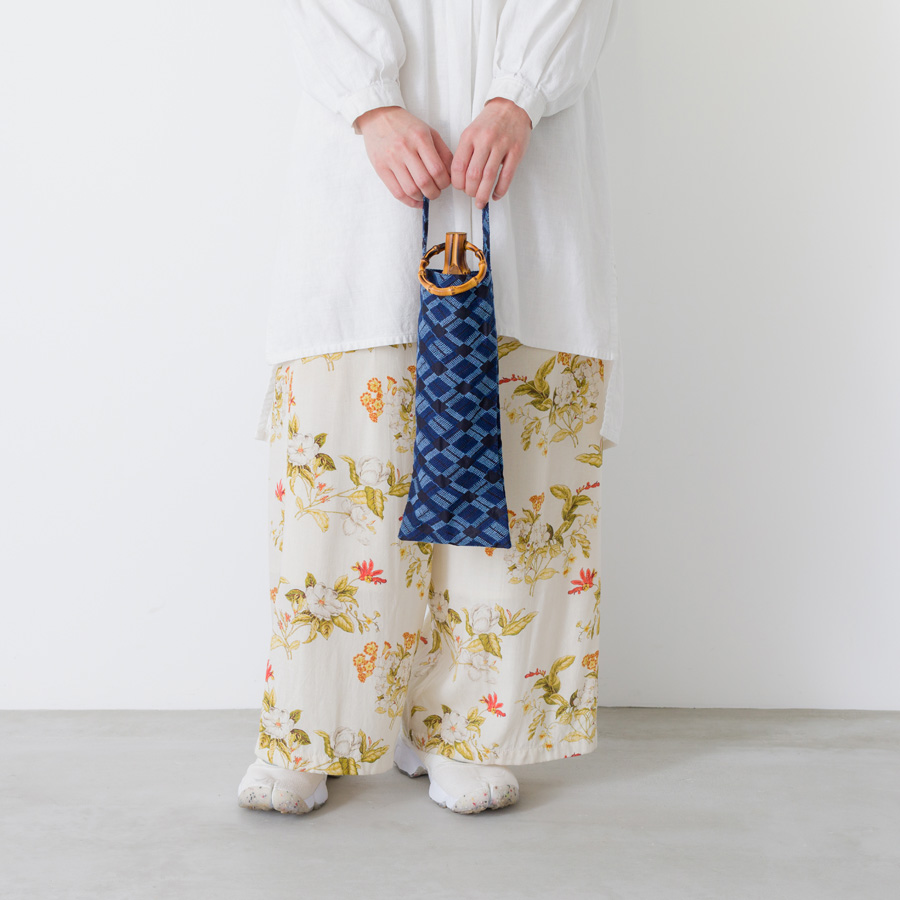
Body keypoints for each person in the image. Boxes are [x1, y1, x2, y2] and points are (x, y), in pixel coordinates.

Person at [237, 0, 623, 816]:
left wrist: (519, 94)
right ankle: (313, 729)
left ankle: (464, 733)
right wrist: (370, 104)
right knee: (343, 469)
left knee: (514, 469)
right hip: (361, 182)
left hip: (525, 163)